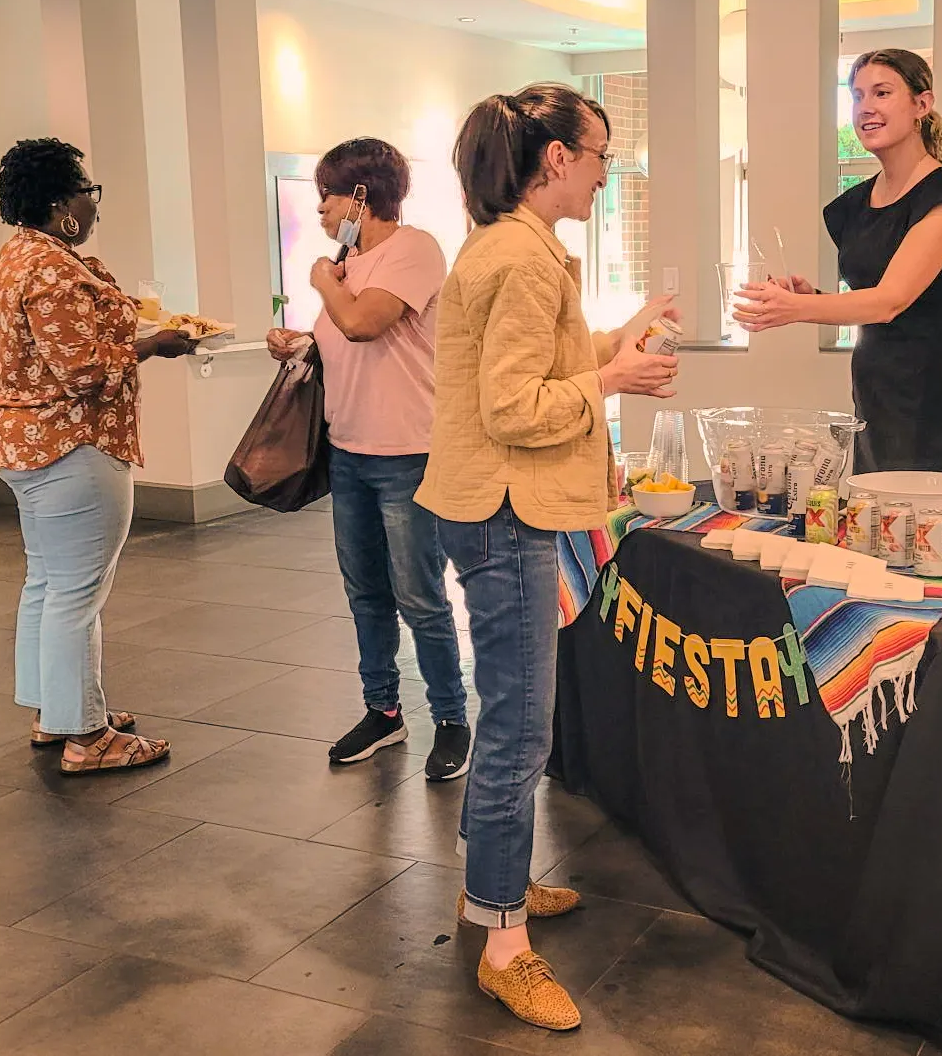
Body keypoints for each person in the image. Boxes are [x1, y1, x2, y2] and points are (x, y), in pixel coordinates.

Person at [415, 84, 678, 1030]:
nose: (608, 173)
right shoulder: (522, 260)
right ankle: (501, 941)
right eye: (601, 153)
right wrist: (610, 377)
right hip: (503, 511)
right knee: (520, 729)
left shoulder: (510, 248)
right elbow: (515, 407)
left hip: (490, 506)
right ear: (555, 157)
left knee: (516, 720)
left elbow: (535, 369)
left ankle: (494, 886)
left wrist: (617, 341)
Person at [265, 138, 472, 781]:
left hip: (407, 453)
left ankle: (450, 719)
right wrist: (298, 341)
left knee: (420, 594)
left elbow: (363, 324)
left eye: (326, 195)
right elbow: (341, 339)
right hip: (349, 452)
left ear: (360, 195)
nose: (321, 210)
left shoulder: (414, 250)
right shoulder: (347, 262)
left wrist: (327, 284)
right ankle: (383, 711)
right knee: (365, 593)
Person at [0, 138, 193, 775]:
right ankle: (87, 736)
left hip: (27, 444)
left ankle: (56, 711)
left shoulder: (18, 256)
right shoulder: (52, 268)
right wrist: (154, 344)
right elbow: (80, 371)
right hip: (73, 444)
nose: (92, 203)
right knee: (77, 594)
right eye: (87, 192)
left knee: (48, 584)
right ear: (61, 205)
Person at [734, 49, 942, 478]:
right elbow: (867, 297)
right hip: (875, 393)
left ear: (922, 105)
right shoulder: (857, 203)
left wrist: (795, 310)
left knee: (924, 536)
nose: (865, 108)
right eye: (857, 96)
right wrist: (810, 298)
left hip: (934, 398)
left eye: (883, 93)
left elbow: (889, 302)